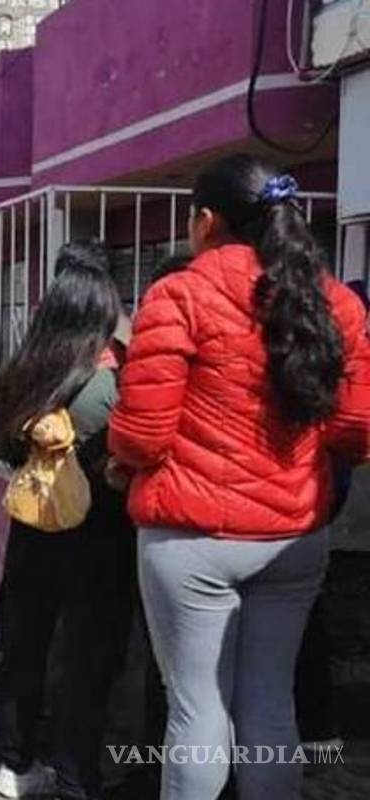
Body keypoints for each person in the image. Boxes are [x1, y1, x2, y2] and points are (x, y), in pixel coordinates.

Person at [109, 155, 370, 800]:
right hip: (293, 537)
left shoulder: (181, 293)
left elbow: (143, 432)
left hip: (191, 538)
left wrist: (121, 461)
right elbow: (354, 431)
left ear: (205, 221)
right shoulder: (336, 302)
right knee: (270, 707)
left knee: (196, 710)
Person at [0, 242, 135, 800]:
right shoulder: (114, 379)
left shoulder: (26, 372)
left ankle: (14, 761)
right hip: (100, 532)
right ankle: (77, 773)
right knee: (89, 654)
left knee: (24, 643)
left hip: (31, 526)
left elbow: (5, 450)